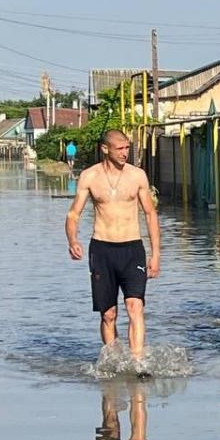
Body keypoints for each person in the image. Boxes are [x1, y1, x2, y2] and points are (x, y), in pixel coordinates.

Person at [65, 129, 161, 361]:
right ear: (105, 149)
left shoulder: (137, 176)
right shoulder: (89, 177)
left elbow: (150, 214)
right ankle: (114, 361)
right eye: (120, 148)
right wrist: (73, 240)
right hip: (102, 249)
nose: (125, 153)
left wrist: (155, 254)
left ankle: (137, 363)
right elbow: (73, 214)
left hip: (132, 249)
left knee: (135, 306)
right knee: (108, 314)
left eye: (127, 148)